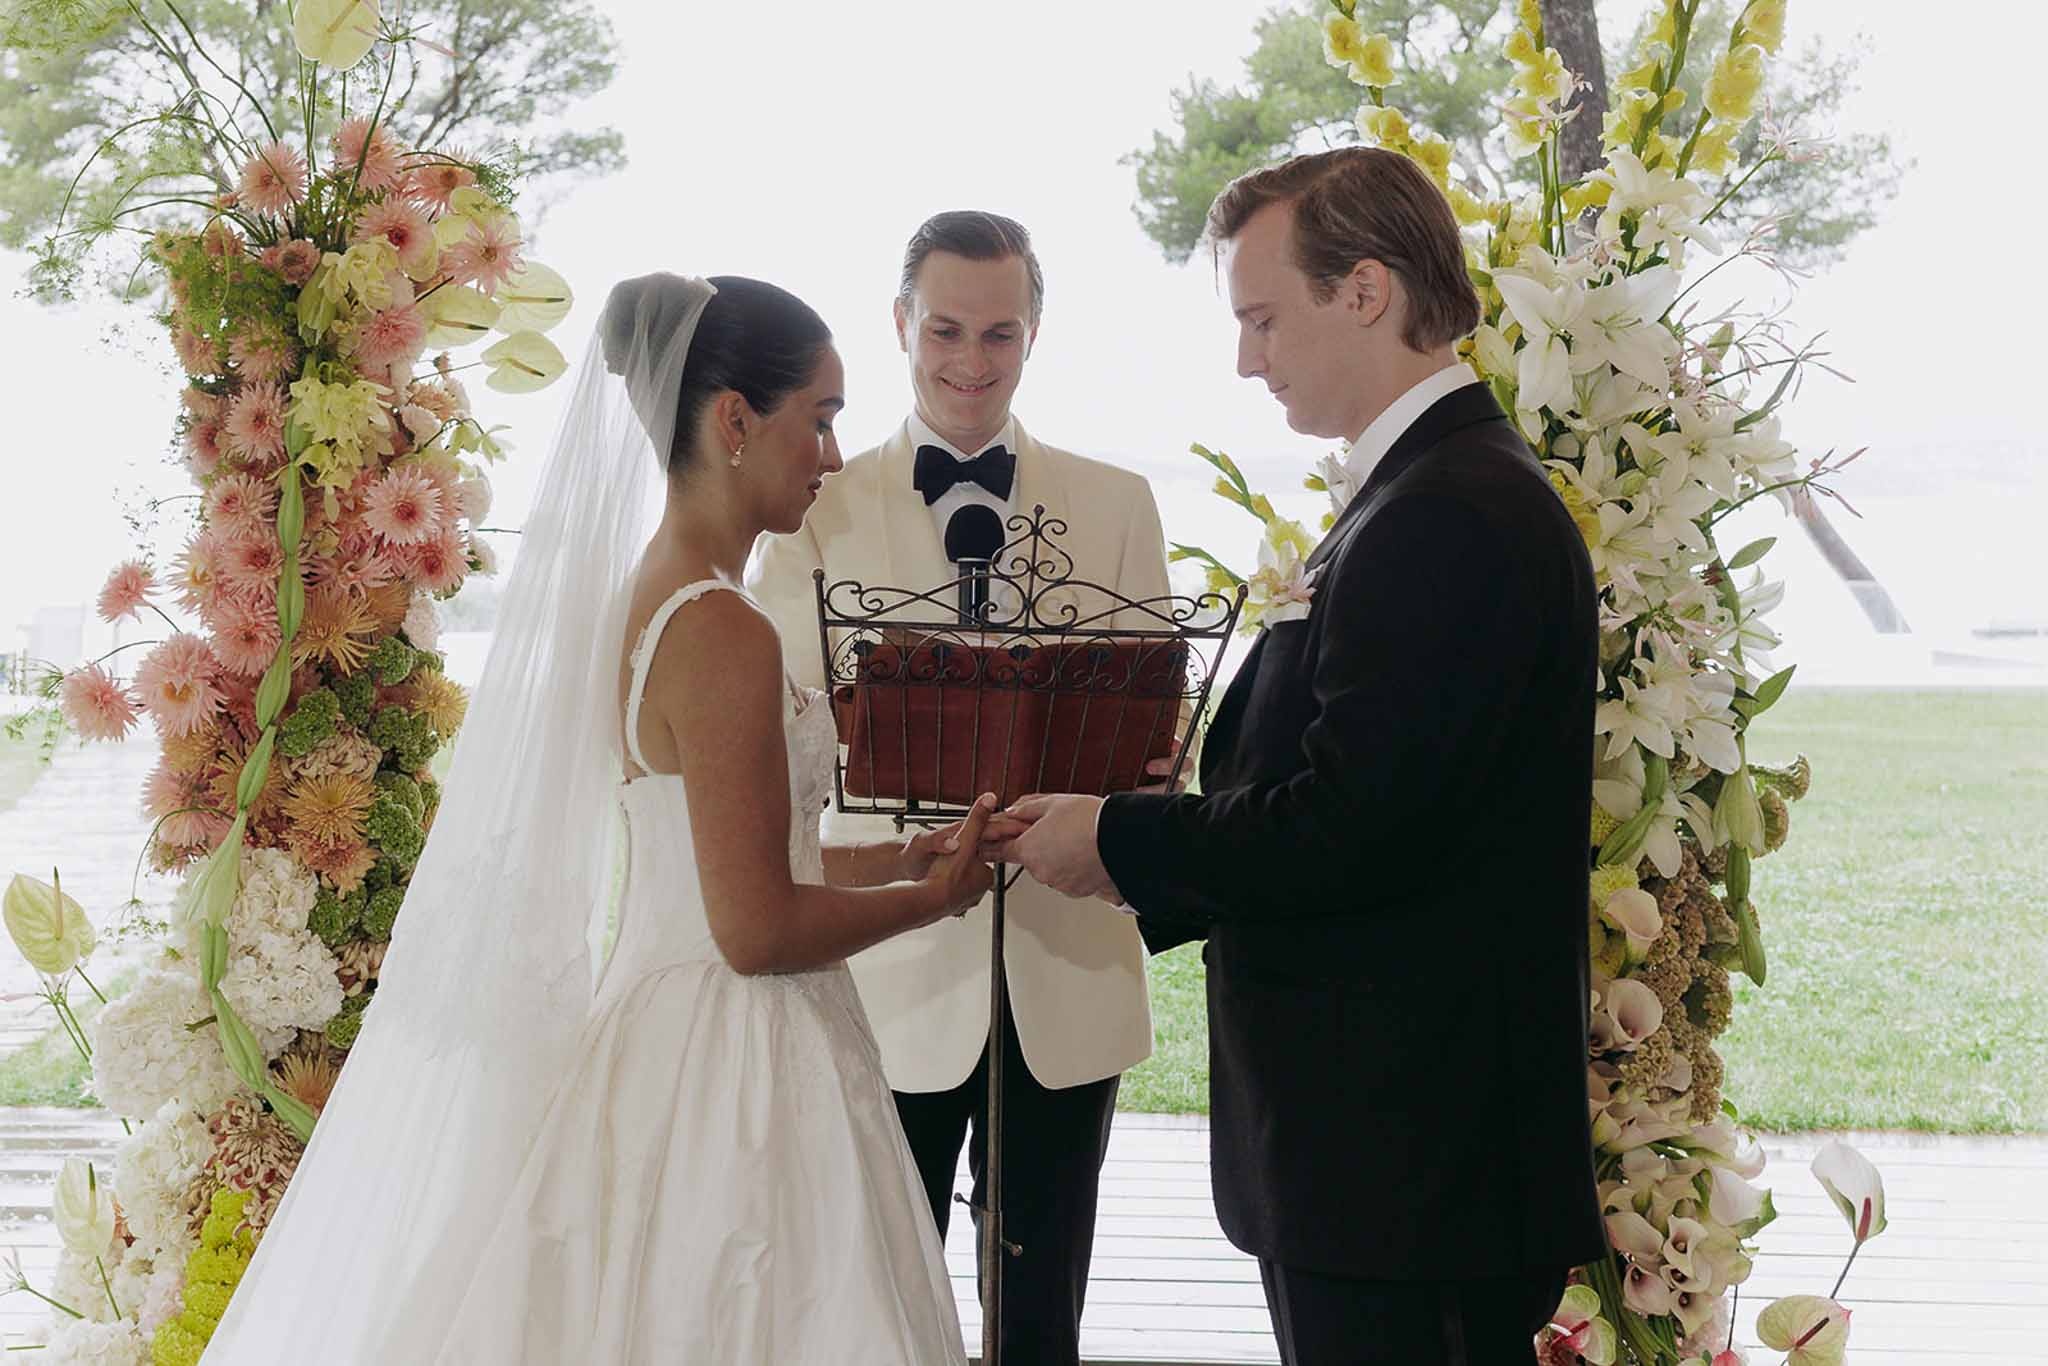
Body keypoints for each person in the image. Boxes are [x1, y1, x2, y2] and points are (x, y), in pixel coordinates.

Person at [204, 274, 987, 1364]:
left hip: (668, 1030)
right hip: (740, 1058)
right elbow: (753, 928)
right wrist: (928, 900)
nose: (832, 453)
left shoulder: (656, 592)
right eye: (819, 416)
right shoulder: (722, 628)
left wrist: (899, 857)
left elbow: (719, 853)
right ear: (733, 420)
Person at [992, 148, 1608, 1364]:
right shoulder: (1428, 489)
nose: (1246, 358)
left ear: (1365, 291)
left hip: (1405, 1166)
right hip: (1391, 1165)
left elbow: (1351, 821)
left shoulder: (1443, 510)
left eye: (1262, 318)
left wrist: (1114, 837)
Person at [749, 211, 1171, 1365]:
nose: (970, 362)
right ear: (899, 324)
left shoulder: (1119, 501)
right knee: (873, 1300)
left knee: (1044, 1314)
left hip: (1068, 962)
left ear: (1035, 333)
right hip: (887, 970)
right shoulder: (809, 506)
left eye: (1000, 333)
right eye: (943, 329)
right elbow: (785, 724)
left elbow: (1151, 727)